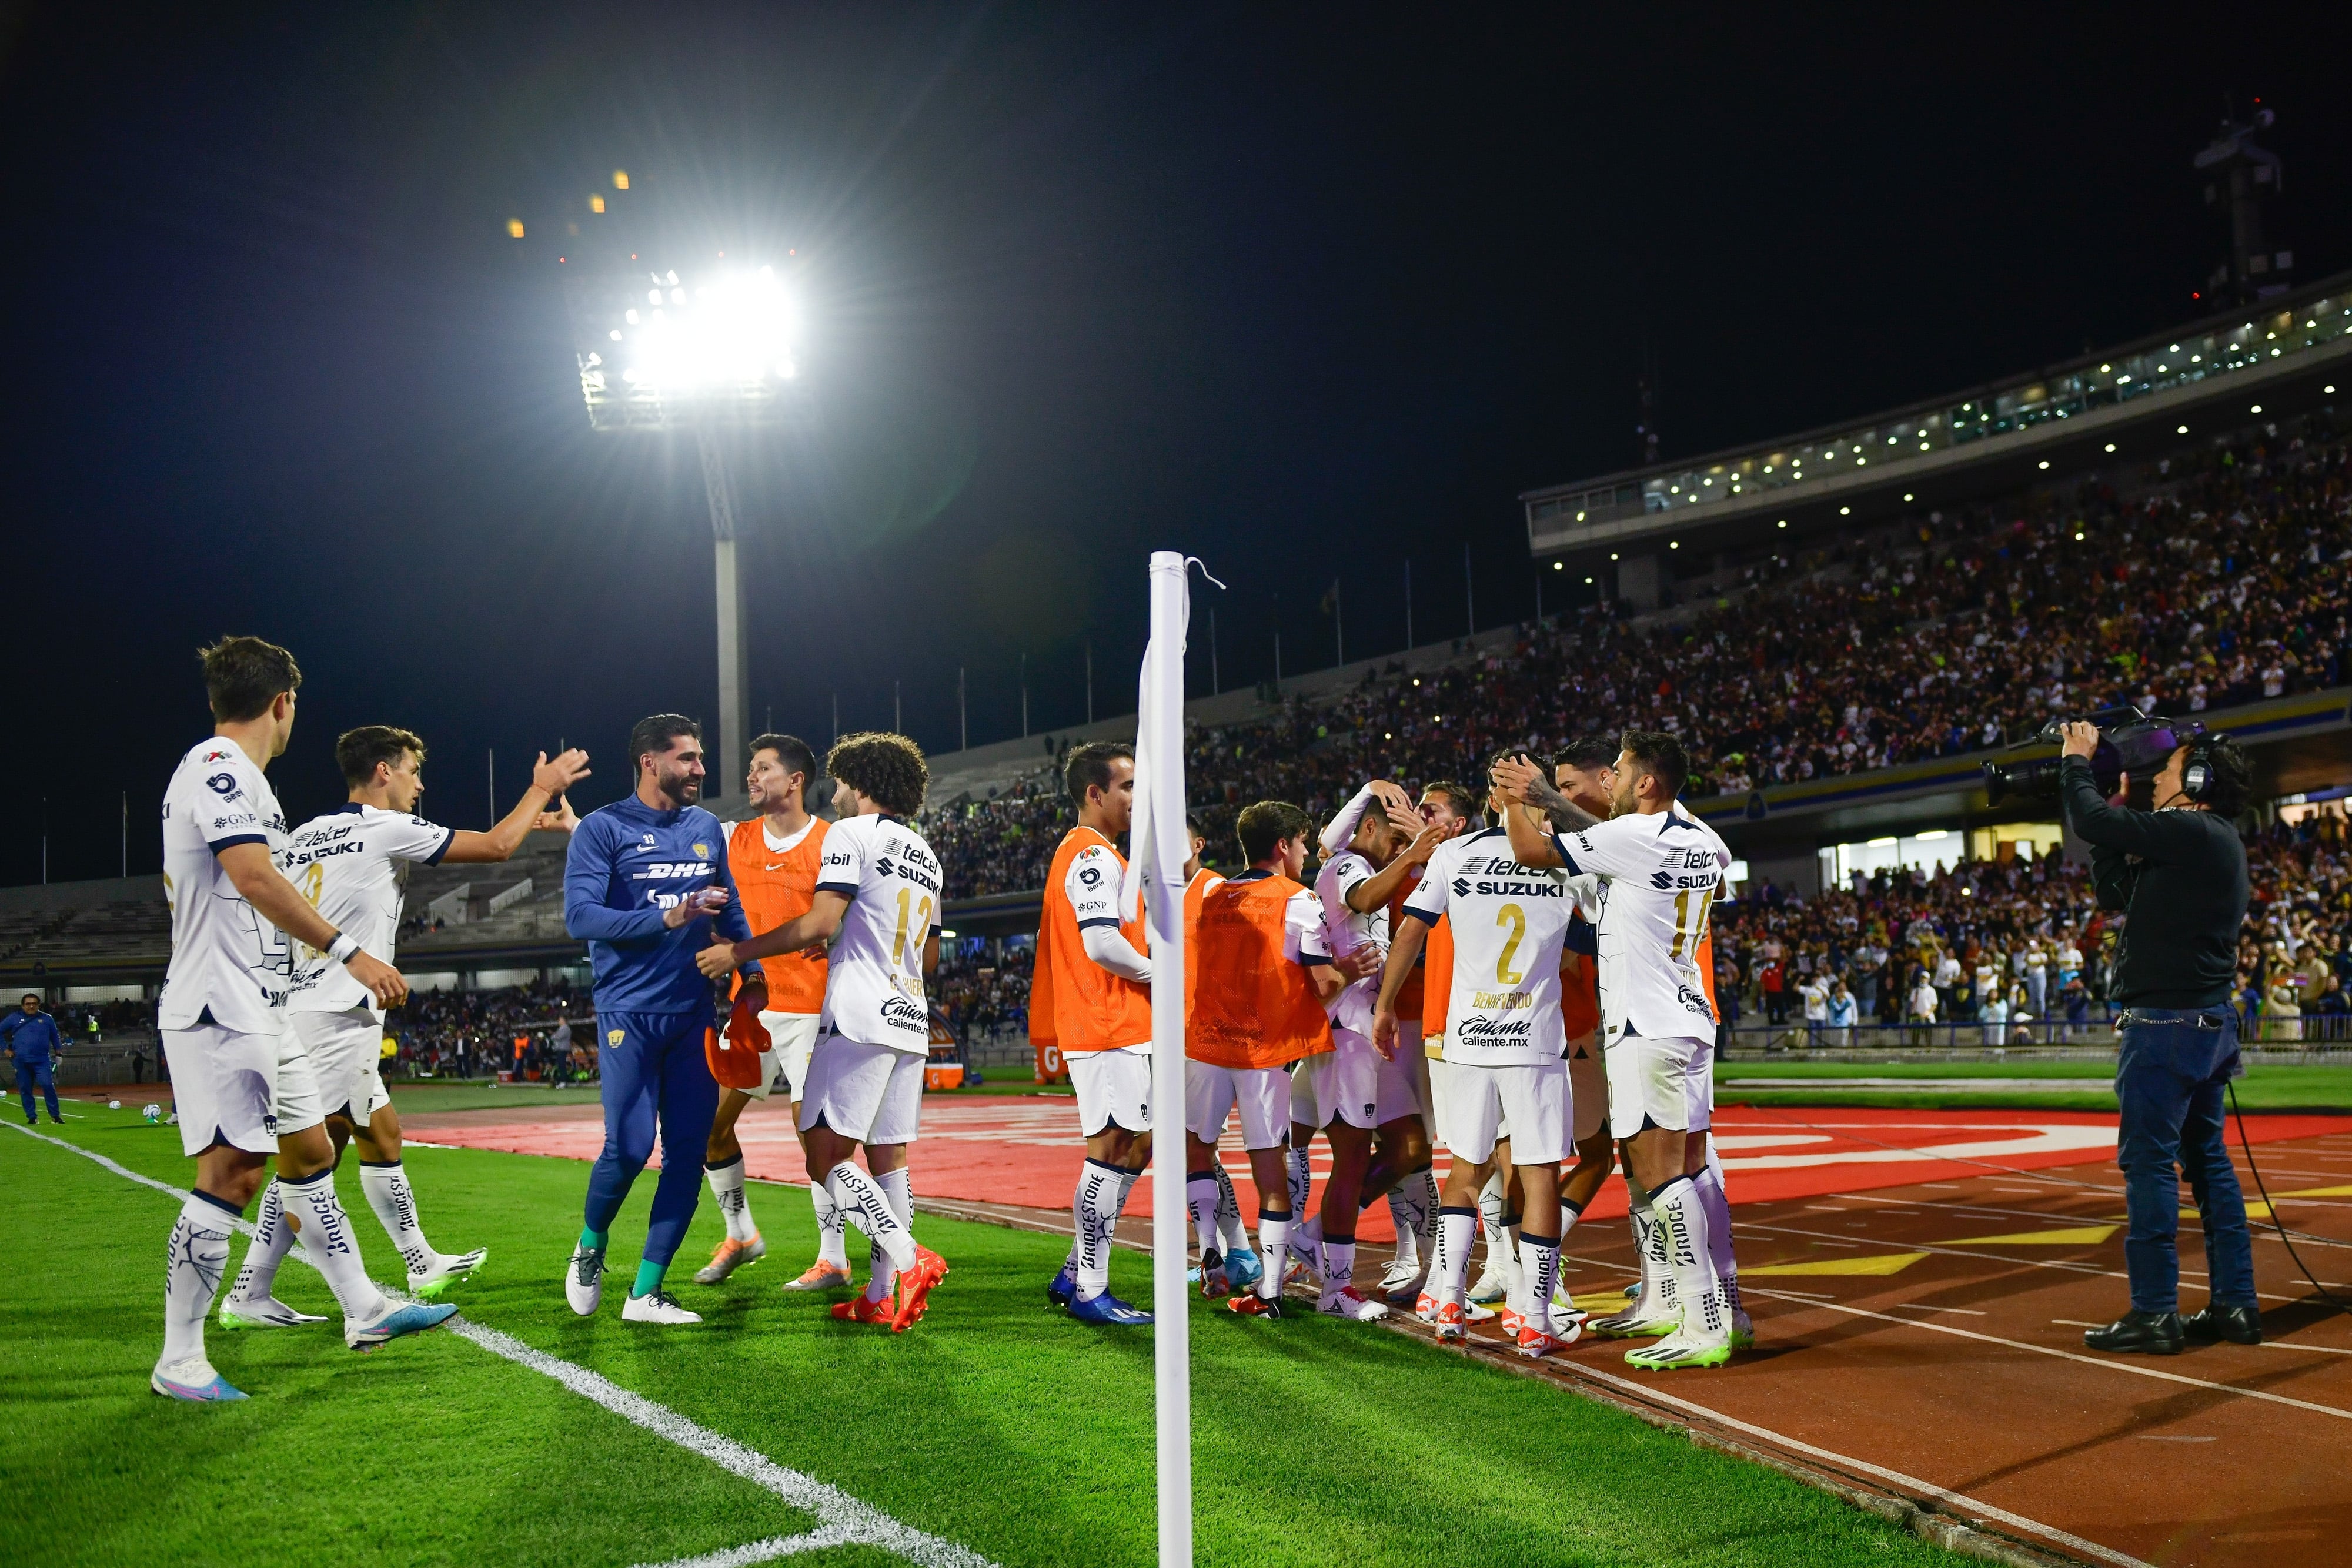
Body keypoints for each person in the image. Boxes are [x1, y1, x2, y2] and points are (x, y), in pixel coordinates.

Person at [153, 637, 453, 1402]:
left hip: (265, 1001)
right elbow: (253, 877)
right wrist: (350, 951)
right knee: (232, 1173)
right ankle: (180, 1357)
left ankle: (366, 1309)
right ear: (283, 703)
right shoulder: (219, 767)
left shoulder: (247, 783)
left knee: (311, 1151)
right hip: (221, 1000)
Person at [220, 724, 584, 1324]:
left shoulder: (306, 833)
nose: (420, 785)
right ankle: (250, 1291)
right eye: (414, 771)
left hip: (306, 1003)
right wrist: (540, 789)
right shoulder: (383, 826)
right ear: (383, 771)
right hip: (338, 1012)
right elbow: (497, 846)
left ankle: (420, 1262)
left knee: (381, 1133)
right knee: (313, 1159)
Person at [1494, 730, 1747, 1369]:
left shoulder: (1634, 835)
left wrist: (1522, 798)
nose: (1612, 783)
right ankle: (1721, 1307)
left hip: (1645, 1024)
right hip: (1690, 1017)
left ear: (1645, 782)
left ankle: (1703, 1320)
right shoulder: (1699, 840)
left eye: (1622, 772)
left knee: (1660, 1173)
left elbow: (1529, 851)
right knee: (1692, 1167)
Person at [697, 732, 950, 1333]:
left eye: (839, 781)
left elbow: (818, 922)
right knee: (887, 1158)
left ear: (860, 784)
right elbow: (930, 958)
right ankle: (880, 1294)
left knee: (823, 1154)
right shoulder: (926, 855)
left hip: (857, 1014)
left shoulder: (848, 833)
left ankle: (910, 1258)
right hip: (909, 1017)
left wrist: (740, 952)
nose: (833, 792)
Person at [2058, 720, 2260, 1355]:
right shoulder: (2211, 840)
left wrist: (2077, 763)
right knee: (2207, 1162)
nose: (2155, 780)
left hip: (2166, 1026)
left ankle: (2153, 1312)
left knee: (2148, 1165)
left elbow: (2090, 822)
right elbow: (2116, 891)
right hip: (2204, 1024)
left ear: (2197, 781)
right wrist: (2109, 808)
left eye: (2168, 770)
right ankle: (2235, 1304)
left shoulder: (2192, 831)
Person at [562, 714, 761, 1327]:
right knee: (627, 1149)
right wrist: (668, 918)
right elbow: (581, 918)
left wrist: (751, 971)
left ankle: (646, 1293)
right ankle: (590, 1245)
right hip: (628, 1012)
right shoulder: (601, 828)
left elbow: (730, 907)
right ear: (650, 762)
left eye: (700, 757)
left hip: (693, 1015)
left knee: (686, 1153)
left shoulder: (704, 827)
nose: (700, 768)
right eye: (688, 758)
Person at [1185, 801, 1367, 1320]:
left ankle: (1209, 1250)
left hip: (1206, 1042)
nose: (1307, 852)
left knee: (1198, 1148)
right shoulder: (1298, 899)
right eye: (1304, 842)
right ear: (1283, 845)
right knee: (1269, 1170)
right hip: (1262, 1050)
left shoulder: (1214, 895)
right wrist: (1351, 970)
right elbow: (1323, 983)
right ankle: (1270, 1290)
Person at [698, 735, 840, 1292]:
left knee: (815, 1138)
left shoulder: (832, 841)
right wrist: (577, 826)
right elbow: (663, 846)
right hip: (752, 1007)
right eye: (751, 768)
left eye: (763, 769)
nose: (751, 777)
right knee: (708, 1126)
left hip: (811, 1009)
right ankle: (740, 1234)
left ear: (795, 780)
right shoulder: (733, 836)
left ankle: (834, 1258)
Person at [1298, 778, 1437, 1321]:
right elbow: (1366, 897)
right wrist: (1415, 852)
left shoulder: (1360, 858)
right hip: (1346, 1032)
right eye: (1393, 838)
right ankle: (1336, 1290)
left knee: (1411, 1147)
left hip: (1368, 1028)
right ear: (1372, 827)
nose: (1399, 847)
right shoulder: (1346, 866)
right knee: (1352, 1156)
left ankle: (1312, 1235)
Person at [1031, 742, 1158, 1325]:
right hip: (1105, 1022)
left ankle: (1074, 1271)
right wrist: (1162, 975)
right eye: (1127, 786)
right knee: (1109, 1148)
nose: (1136, 796)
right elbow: (1101, 942)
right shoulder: (1091, 855)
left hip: (1118, 1021)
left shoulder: (1098, 853)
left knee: (1139, 1144)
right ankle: (1090, 1287)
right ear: (1094, 793)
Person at [4, 994, 64, 1126]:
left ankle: (55, 1116)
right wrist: (5, 1049)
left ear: (38, 1005)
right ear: (22, 1006)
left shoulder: (47, 1019)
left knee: (48, 1085)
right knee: (25, 1089)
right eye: (28, 1004)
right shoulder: (14, 1018)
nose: (31, 1006)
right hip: (21, 1060)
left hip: (42, 1060)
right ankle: (32, 1117)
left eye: (34, 1004)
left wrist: (59, 1054)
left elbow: (55, 1036)